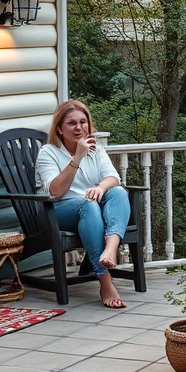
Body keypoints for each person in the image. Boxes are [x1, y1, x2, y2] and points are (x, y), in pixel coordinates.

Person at [35, 100, 131, 309]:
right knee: (88, 205)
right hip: (58, 211)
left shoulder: (96, 149)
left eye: (83, 122)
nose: (79, 128)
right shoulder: (48, 153)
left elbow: (113, 177)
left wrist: (101, 187)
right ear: (59, 129)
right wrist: (77, 157)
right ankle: (105, 282)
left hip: (92, 208)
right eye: (71, 123)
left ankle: (111, 248)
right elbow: (55, 191)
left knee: (118, 192)